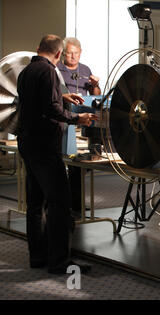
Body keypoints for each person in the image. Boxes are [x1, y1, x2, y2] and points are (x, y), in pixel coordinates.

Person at [17, 34, 98, 274]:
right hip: (44, 146)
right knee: (60, 202)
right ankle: (59, 261)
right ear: (59, 54)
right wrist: (78, 118)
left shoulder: (26, 72)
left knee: (34, 203)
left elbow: (35, 101)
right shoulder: (50, 72)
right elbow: (51, 110)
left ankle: (38, 257)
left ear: (38, 48)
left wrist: (61, 96)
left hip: (27, 143)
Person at [57, 37, 101, 215]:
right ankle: (71, 202)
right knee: (70, 162)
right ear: (63, 54)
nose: (73, 56)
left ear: (80, 53)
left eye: (76, 53)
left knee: (83, 163)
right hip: (65, 119)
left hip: (84, 121)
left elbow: (96, 95)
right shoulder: (56, 70)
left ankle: (72, 200)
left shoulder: (85, 70)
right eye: (69, 53)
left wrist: (95, 85)